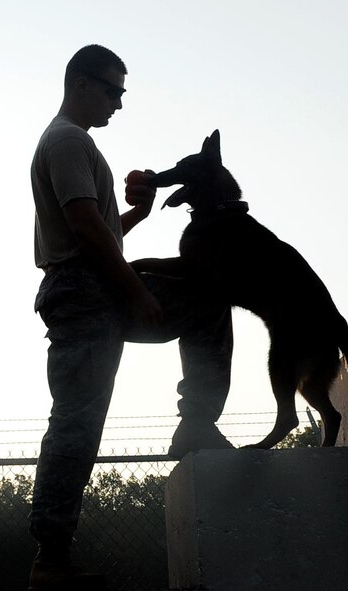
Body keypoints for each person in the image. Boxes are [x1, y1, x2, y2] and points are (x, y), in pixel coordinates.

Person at [29, 44, 234, 590]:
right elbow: (85, 232)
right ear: (80, 82)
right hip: (87, 291)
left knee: (206, 296)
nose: (119, 102)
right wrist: (137, 295)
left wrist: (138, 214)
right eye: (113, 89)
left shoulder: (74, 143)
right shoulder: (68, 140)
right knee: (77, 419)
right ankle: (50, 560)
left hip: (87, 288)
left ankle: (53, 557)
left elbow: (100, 227)